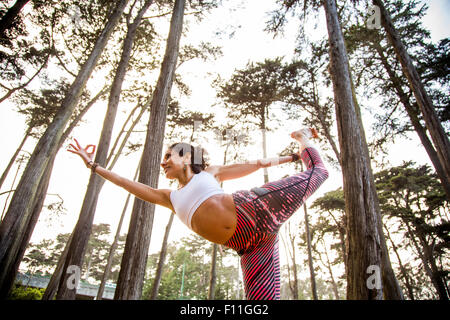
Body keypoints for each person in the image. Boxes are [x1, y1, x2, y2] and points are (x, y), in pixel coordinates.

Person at [68, 128, 329, 300]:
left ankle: (304, 137)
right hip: (251, 246)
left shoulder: (211, 173)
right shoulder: (169, 197)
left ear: (187, 156)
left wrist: (294, 157)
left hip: (254, 210)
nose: (163, 162)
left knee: (319, 172)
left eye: (169, 156)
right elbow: (127, 183)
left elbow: (258, 164)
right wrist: (94, 166)